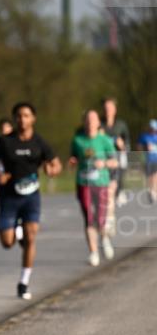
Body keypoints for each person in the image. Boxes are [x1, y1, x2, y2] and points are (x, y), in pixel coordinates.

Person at [0, 101, 62, 300]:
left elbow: (56, 164)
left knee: (31, 237)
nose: (22, 119)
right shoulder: (5, 142)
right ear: (14, 119)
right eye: (19, 116)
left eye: (26, 115)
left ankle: (23, 282)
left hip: (31, 197)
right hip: (9, 197)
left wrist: (52, 170)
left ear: (33, 119)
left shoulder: (39, 142)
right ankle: (15, 230)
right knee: (7, 242)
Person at [69, 109, 118, 266]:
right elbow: (73, 158)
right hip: (84, 184)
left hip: (101, 183)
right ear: (84, 122)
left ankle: (104, 238)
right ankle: (93, 251)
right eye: (88, 120)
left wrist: (103, 163)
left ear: (98, 123)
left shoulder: (105, 140)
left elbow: (115, 162)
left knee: (101, 219)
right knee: (89, 218)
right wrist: (73, 162)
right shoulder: (77, 140)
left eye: (93, 120)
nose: (90, 123)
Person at [100, 97, 131, 211]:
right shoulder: (99, 124)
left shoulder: (121, 125)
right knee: (107, 191)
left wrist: (122, 145)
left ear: (115, 110)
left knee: (113, 186)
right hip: (103, 158)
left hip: (117, 158)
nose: (108, 110)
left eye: (110, 108)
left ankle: (120, 190)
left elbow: (127, 144)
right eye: (106, 108)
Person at [138, 119, 157, 203]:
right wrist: (144, 150)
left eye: (154, 128)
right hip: (148, 159)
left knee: (155, 176)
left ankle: (153, 192)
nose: (153, 130)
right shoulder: (144, 136)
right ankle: (150, 191)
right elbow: (139, 146)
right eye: (151, 128)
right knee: (149, 177)